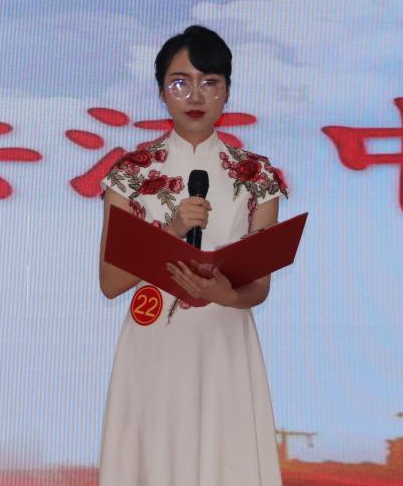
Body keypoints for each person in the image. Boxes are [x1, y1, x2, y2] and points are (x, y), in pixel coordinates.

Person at [97, 25, 288, 486]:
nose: (195, 95)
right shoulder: (131, 175)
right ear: (161, 91)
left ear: (227, 91)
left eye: (209, 82)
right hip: (154, 345)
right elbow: (110, 282)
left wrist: (227, 294)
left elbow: (258, 286)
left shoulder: (256, 176)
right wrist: (172, 229)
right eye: (180, 82)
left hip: (224, 341)